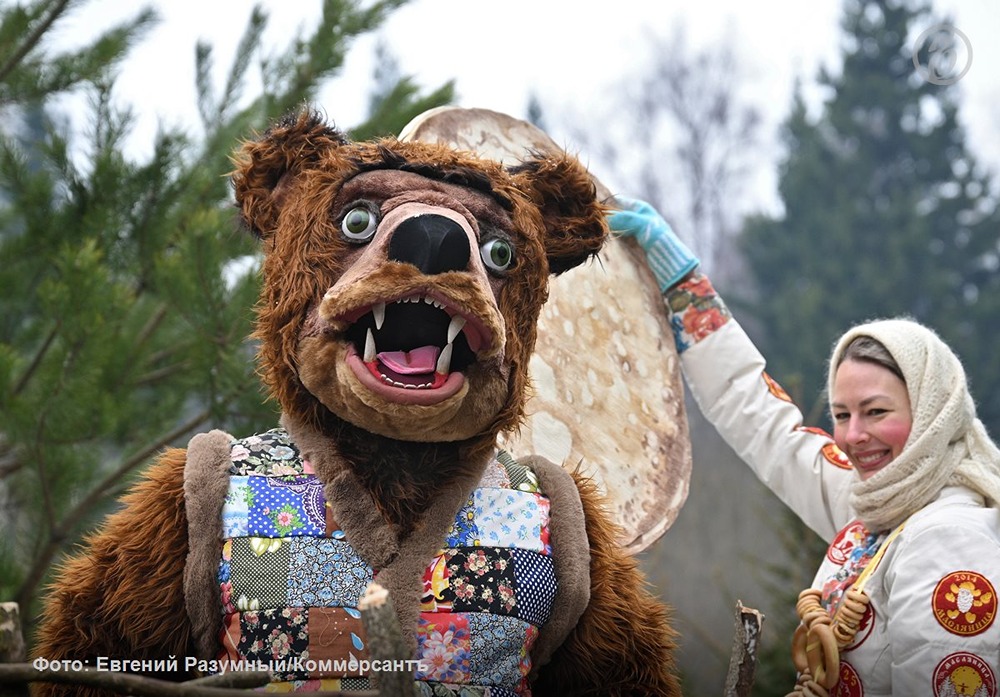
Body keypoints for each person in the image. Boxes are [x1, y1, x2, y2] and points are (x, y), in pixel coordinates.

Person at [609, 198, 1000, 697]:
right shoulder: (878, 505)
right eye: (841, 414)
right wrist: (683, 285)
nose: (855, 435)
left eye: (877, 412)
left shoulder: (950, 537)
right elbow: (759, 417)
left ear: (931, 414)